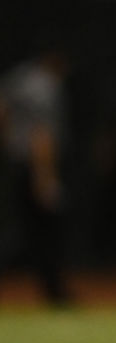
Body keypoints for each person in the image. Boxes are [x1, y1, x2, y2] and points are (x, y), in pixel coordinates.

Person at [0, 46, 73, 307]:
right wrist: (45, 178)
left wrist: (8, 144)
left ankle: (53, 289)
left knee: (24, 226)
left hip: (15, 162)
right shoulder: (46, 87)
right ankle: (54, 291)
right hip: (35, 165)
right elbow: (41, 135)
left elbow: (2, 112)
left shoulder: (19, 78)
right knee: (45, 231)